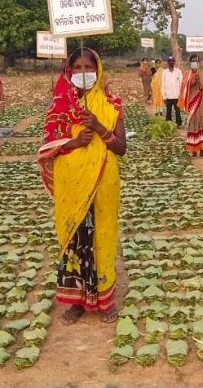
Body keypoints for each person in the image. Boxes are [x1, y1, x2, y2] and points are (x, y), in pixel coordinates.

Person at [36, 47, 126, 324]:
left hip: (102, 183)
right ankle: (75, 302)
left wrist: (99, 127)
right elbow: (47, 148)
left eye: (89, 67)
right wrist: (75, 142)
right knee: (74, 239)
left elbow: (121, 148)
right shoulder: (60, 106)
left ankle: (104, 300)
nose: (83, 73)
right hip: (71, 185)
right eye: (78, 68)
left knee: (101, 238)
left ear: (98, 70)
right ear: (69, 71)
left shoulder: (111, 105)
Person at [180, 55, 203, 157]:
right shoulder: (186, 75)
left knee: (202, 125)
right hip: (192, 103)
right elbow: (184, 88)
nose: (195, 63)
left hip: (202, 102)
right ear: (190, 63)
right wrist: (192, 81)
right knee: (193, 125)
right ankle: (193, 150)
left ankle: (202, 150)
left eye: (196, 61)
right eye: (193, 61)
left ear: (199, 62)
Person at [161, 55, 184, 127]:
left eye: (172, 61)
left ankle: (179, 124)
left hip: (177, 95)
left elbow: (181, 83)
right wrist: (164, 96)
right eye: (169, 61)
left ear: (174, 62)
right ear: (167, 62)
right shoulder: (164, 72)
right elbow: (163, 85)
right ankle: (168, 124)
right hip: (168, 96)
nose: (171, 62)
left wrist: (181, 95)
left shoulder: (178, 71)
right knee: (168, 111)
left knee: (177, 111)